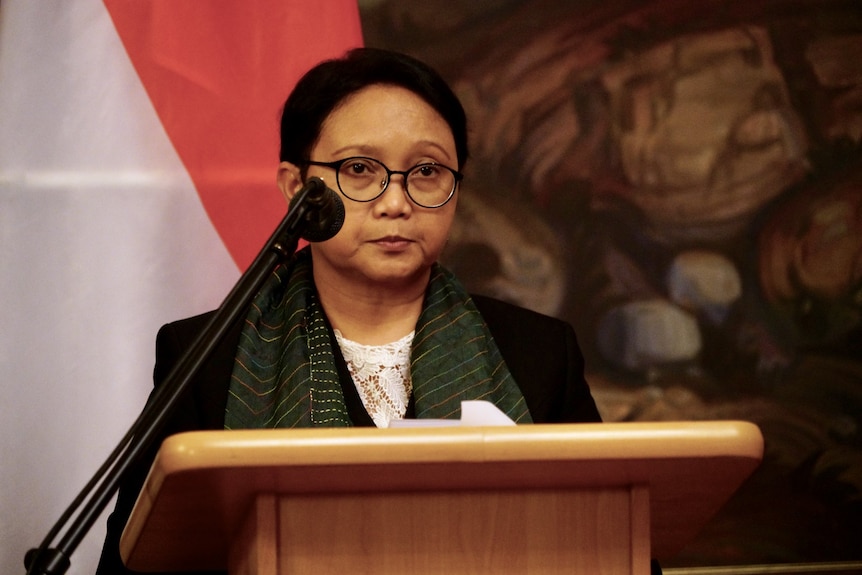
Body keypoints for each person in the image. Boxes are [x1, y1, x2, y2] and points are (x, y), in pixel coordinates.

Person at [96, 47, 602, 575]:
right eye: (360, 169)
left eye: (426, 171)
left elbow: (613, 543)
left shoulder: (541, 354)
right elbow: (135, 563)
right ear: (296, 189)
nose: (395, 202)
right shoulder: (206, 359)